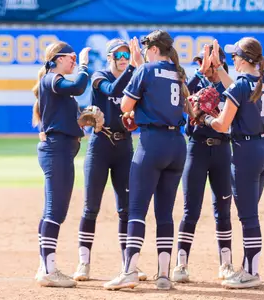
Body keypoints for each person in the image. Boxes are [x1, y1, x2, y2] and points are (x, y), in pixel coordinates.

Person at [103, 30, 191, 290]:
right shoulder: (178, 72)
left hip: (152, 144)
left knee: (137, 209)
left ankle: (129, 271)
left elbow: (125, 106)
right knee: (165, 213)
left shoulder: (145, 71)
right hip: (178, 144)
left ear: (152, 49)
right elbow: (182, 105)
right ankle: (164, 275)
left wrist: (137, 69)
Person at [197, 38, 264, 289]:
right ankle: (247, 267)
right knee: (250, 212)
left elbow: (222, 124)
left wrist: (203, 117)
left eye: (234, 57)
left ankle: (251, 272)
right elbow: (240, 91)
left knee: (248, 216)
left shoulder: (242, 85)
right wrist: (219, 69)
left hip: (246, 152)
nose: (233, 60)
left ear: (243, 60)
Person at [72, 38, 147, 282]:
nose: (124, 58)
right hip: (100, 145)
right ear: (109, 57)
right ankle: (84, 263)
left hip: (124, 145)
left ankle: (128, 265)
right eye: (119, 55)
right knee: (90, 207)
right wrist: (135, 69)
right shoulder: (98, 76)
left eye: (127, 54)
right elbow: (113, 90)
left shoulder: (134, 77)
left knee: (126, 208)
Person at [172, 44, 235, 283]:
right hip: (196, 149)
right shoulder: (196, 83)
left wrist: (216, 72)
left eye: (207, 62)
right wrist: (201, 73)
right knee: (191, 211)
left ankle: (226, 264)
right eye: (200, 62)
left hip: (221, 151)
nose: (203, 66)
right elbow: (181, 96)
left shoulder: (230, 87)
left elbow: (236, 97)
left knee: (223, 211)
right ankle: (181, 264)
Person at [32, 41, 91, 288]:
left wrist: (84, 118)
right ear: (57, 58)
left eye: (77, 58)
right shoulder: (52, 80)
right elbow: (78, 86)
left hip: (60, 150)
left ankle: (45, 264)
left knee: (52, 210)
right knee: (56, 211)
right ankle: (49, 269)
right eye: (72, 57)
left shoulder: (56, 85)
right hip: (57, 151)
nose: (74, 61)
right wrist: (86, 66)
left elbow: (74, 111)